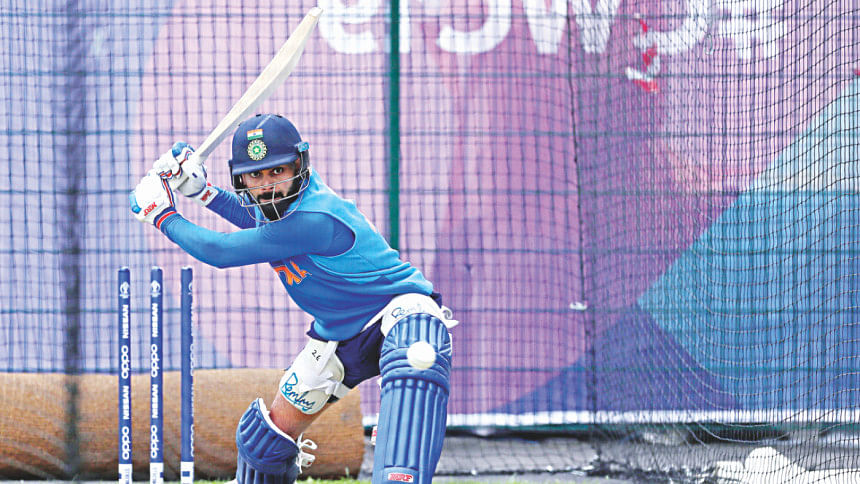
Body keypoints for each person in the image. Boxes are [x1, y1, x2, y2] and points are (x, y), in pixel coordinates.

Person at [130, 113, 457, 484]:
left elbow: (220, 251)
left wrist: (163, 215)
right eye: (255, 175)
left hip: (399, 314)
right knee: (263, 445)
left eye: (277, 171)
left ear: (299, 164)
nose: (267, 185)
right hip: (337, 336)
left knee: (411, 391)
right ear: (241, 178)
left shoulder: (314, 217)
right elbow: (258, 223)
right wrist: (203, 193)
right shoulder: (281, 211)